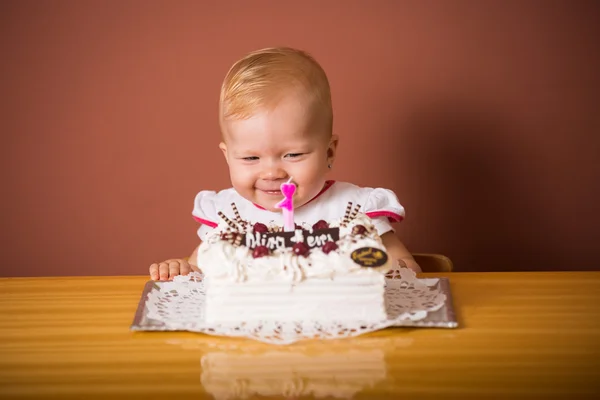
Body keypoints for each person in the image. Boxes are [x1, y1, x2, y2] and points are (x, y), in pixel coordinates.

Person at [149, 47, 421, 281]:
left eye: (292, 155)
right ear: (227, 156)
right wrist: (183, 268)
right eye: (250, 158)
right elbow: (199, 269)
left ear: (328, 152)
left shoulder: (353, 210)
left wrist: (393, 271)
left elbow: (406, 268)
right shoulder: (227, 214)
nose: (272, 173)